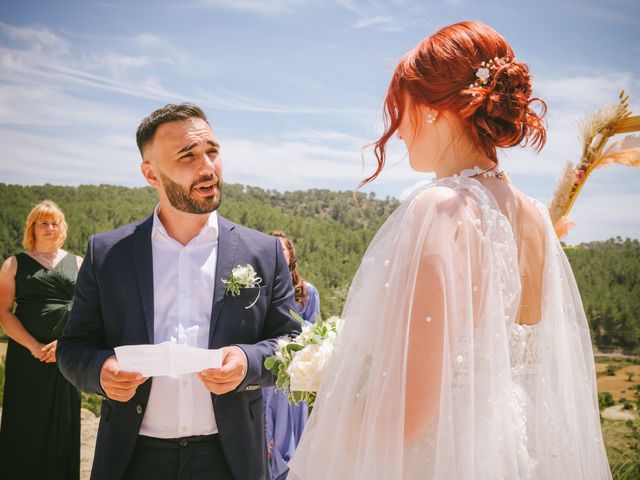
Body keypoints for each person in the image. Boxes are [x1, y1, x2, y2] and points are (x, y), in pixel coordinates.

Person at [289, 21, 611, 479]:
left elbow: (411, 409)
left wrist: (329, 429)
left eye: (399, 108)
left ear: (433, 110)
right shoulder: (536, 216)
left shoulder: (442, 208)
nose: (396, 131)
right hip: (520, 454)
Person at [57, 103, 301, 480]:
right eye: (188, 156)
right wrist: (101, 371)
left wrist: (247, 361)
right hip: (132, 457)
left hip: (229, 457)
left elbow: (289, 343)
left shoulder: (263, 252)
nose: (207, 168)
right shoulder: (107, 254)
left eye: (212, 151)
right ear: (150, 174)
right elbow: (73, 348)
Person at [0, 200, 83, 480]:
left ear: (63, 228)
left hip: (65, 356)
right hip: (26, 356)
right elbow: (3, 312)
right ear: (32, 228)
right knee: (25, 421)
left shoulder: (79, 264)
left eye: (55, 222)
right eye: (43, 222)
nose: (50, 227)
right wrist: (33, 346)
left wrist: (64, 344)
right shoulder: (13, 264)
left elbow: (89, 314)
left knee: (65, 422)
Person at [263, 231, 320, 480]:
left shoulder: (308, 292)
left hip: (291, 376)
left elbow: (314, 334)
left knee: (288, 428)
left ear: (290, 255)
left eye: (282, 249)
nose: (277, 252)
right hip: (265, 373)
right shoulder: (259, 288)